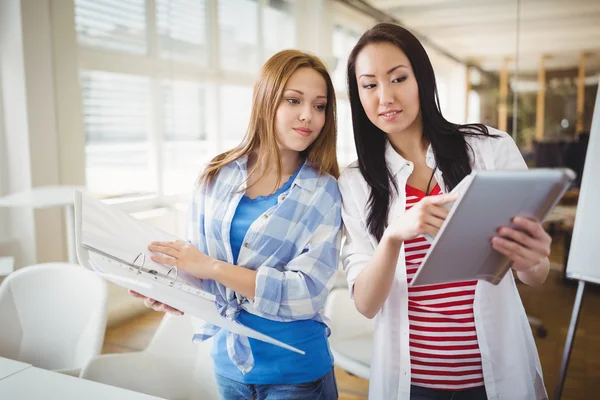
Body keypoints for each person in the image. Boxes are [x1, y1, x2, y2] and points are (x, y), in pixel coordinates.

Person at [338, 23, 550, 400]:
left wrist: (533, 259)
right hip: (413, 380)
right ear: (358, 95)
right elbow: (366, 305)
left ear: (422, 79)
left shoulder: (489, 149)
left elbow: (534, 275)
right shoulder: (355, 182)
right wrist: (392, 236)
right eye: (369, 85)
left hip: (495, 374)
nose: (385, 96)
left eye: (398, 78)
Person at [131, 49, 342, 400]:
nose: (308, 116)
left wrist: (211, 268)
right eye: (294, 100)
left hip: (297, 372)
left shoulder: (324, 191)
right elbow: (195, 266)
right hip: (229, 365)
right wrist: (170, 292)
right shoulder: (217, 175)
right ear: (265, 101)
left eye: (319, 106)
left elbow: (305, 294)